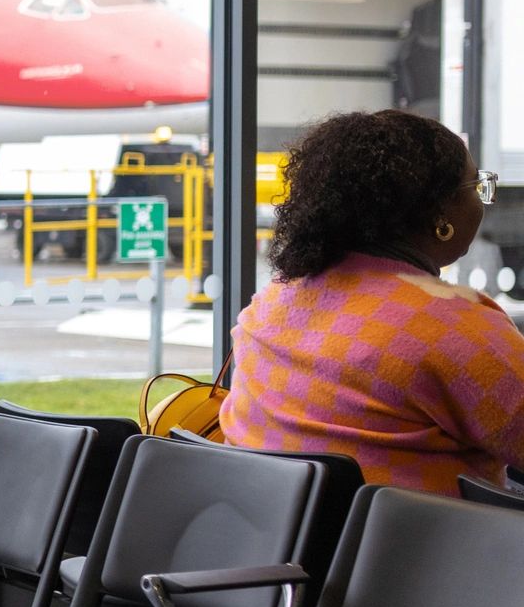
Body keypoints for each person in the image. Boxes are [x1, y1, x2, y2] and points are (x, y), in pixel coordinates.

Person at [221, 107, 524, 495]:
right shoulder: (455, 327)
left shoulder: (271, 304)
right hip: (426, 550)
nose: (483, 201)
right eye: (476, 187)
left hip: (285, 542)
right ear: (440, 213)